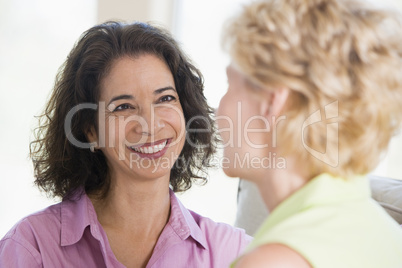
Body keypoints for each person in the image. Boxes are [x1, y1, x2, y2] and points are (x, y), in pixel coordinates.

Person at [0, 21, 252, 268]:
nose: (149, 125)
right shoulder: (32, 248)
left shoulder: (233, 254)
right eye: (123, 107)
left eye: (165, 98)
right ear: (90, 131)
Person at [216, 0, 402, 267]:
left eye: (229, 84)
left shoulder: (272, 261)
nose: (218, 109)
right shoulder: (384, 234)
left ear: (271, 102)